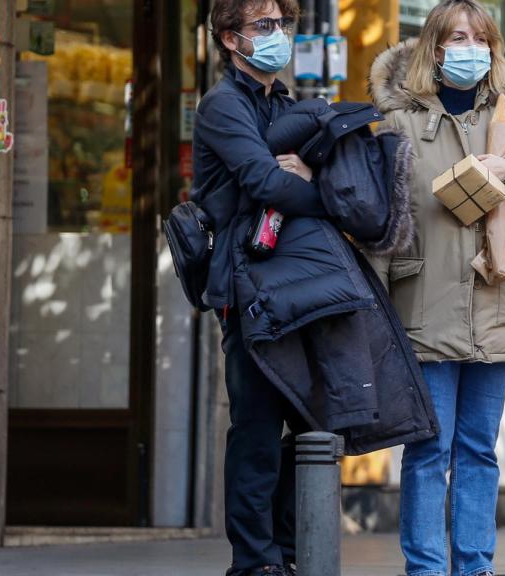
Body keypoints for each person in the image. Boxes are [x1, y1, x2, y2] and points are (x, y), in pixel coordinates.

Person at [367, 1, 505, 574]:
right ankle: (427, 570)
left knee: (478, 451)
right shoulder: (400, 124)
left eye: (480, 39)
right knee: (430, 451)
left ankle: (475, 566)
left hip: (496, 307)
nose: (469, 49)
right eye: (457, 37)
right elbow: (377, 224)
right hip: (423, 309)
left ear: (493, 51)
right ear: (434, 47)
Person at [191, 0, 319, 574]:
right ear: (229, 38)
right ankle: (255, 561)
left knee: (309, 424)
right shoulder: (222, 106)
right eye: (263, 26)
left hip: (293, 282)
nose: (278, 35)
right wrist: (320, 191)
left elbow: (324, 165)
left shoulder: (283, 104)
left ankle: (288, 554)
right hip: (245, 289)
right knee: (258, 427)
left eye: (283, 24)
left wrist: (310, 176)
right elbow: (265, 179)